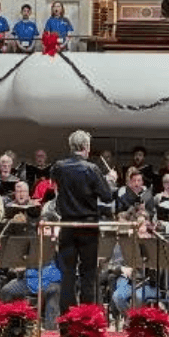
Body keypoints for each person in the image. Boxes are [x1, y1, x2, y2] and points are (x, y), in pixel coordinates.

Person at [51, 129, 116, 307]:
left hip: (67, 225)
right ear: (86, 147)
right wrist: (109, 180)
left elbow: (57, 185)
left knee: (68, 273)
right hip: (88, 226)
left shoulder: (58, 167)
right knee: (88, 273)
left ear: (71, 147)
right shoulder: (92, 169)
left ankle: (66, 320)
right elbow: (107, 197)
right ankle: (86, 320)